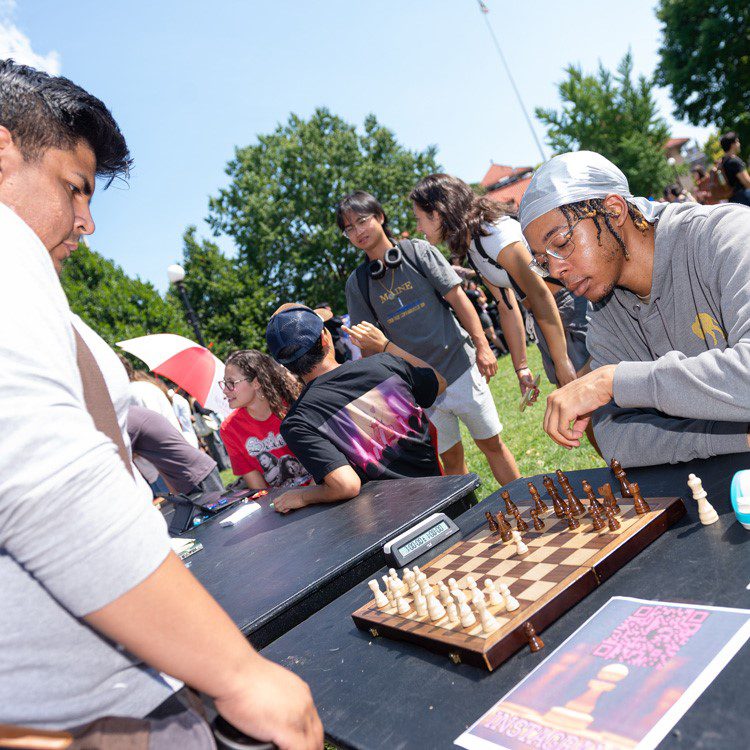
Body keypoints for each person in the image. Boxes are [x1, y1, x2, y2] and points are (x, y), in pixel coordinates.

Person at [0, 60, 321, 748]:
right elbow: (45, 485)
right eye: (73, 188)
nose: (86, 222)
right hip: (95, 721)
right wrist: (237, 674)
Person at [519, 150, 750, 468]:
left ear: (613, 211)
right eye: (544, 262)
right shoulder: (604, 310)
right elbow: (616, 441)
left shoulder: (727, 235)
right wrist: (737, 438)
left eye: (561, 244)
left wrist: (613, 381)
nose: (556, 271)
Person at [339, 190, 520, 486]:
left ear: (380, 217)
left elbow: (460, 299)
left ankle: (526, 504)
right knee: (450, 460)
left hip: (459, 367)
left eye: (362, 221)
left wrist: (484, 346)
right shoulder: (357, 283)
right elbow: (367, 346)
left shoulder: (417, 252)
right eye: (349, 228)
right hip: (419, 389)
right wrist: (382, 395)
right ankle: (469, 521)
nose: (357, 231)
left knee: (491, 445)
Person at [409, 174, 585, 394]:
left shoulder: (493, 235)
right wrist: (521, 367)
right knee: (579, 409)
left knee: (590, 402)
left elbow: (540, 294)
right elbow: (506, 305)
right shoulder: (473, 244)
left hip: (569, 305)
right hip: (545, 317)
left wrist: (562, 361)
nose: (418, 227)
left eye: (419, 219)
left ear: (436, 214)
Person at [265, 304, 447, 514]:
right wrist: (386, 345)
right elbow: (439, 382)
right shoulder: (385, 364)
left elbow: (345, 485)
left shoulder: (297, 422)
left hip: (389, 526)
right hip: (443, 498)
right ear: (325, 338)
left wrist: (303, 496)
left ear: (284, 364)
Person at [219, 349, 312, 490]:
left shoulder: (294, 405)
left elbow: (329, 466)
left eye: (231, 383)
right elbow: (260, 490)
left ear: (256, 383)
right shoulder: (230, 429)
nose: (225, 390)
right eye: (225, 383)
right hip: (283, 504)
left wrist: (306, 497)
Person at [128, 406, 224, 496]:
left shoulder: (128, 420)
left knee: (222, 511)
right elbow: (160, 460)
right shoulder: (135, 413)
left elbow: (121, 460)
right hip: (189, 476)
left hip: (196, 474)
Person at [719, 132, 750, 206]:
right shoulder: (734, 161)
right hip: (744, 198)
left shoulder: (723, 162)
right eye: (738, 141)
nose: (739, 144)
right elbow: (747, 182)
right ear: (733, 144)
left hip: (732, 201)